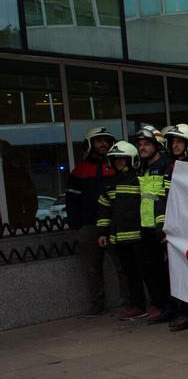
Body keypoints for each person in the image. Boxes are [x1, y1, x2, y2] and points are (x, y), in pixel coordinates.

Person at [96, 141, 151, 320]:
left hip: (139, 237)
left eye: (122, 159)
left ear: (131, 160)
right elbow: (104, 210)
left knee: (147, 272)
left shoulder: (140, 179)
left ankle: (158, 304)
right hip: (118, 239)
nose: (118, 162)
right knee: (130, 274)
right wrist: (102, 232)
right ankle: (138, 306)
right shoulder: (109, 183)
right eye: (115, 159)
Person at [66, 126, 118, 317]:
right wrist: (78, 227)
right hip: (89, 226)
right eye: (99, 140)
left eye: (107, 140)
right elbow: (71, 201)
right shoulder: (79, 171)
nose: (104, 144)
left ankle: (131, 303)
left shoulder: (115, 166)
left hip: (113, 225)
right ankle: (97, 304)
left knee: (123, 266)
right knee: (92, 269)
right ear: (90, 144)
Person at [132, 126, 174, 324]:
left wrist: (165, 227)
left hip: (162, 228)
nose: (142, 148)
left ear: (157, 146)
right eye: (140, 144)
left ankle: (169, 307)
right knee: (149, 269)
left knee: (165, 271)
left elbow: (168, 198)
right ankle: (159, 305)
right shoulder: (141, 167)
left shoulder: (167, 165)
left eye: (147, 144)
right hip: (145, 227)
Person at [163, 123, 188, 332]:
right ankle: (181, 311)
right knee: (175, 270)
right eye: (173, 142)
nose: (175, 146)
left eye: (180, 142)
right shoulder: (168, 166)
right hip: (173, 227)